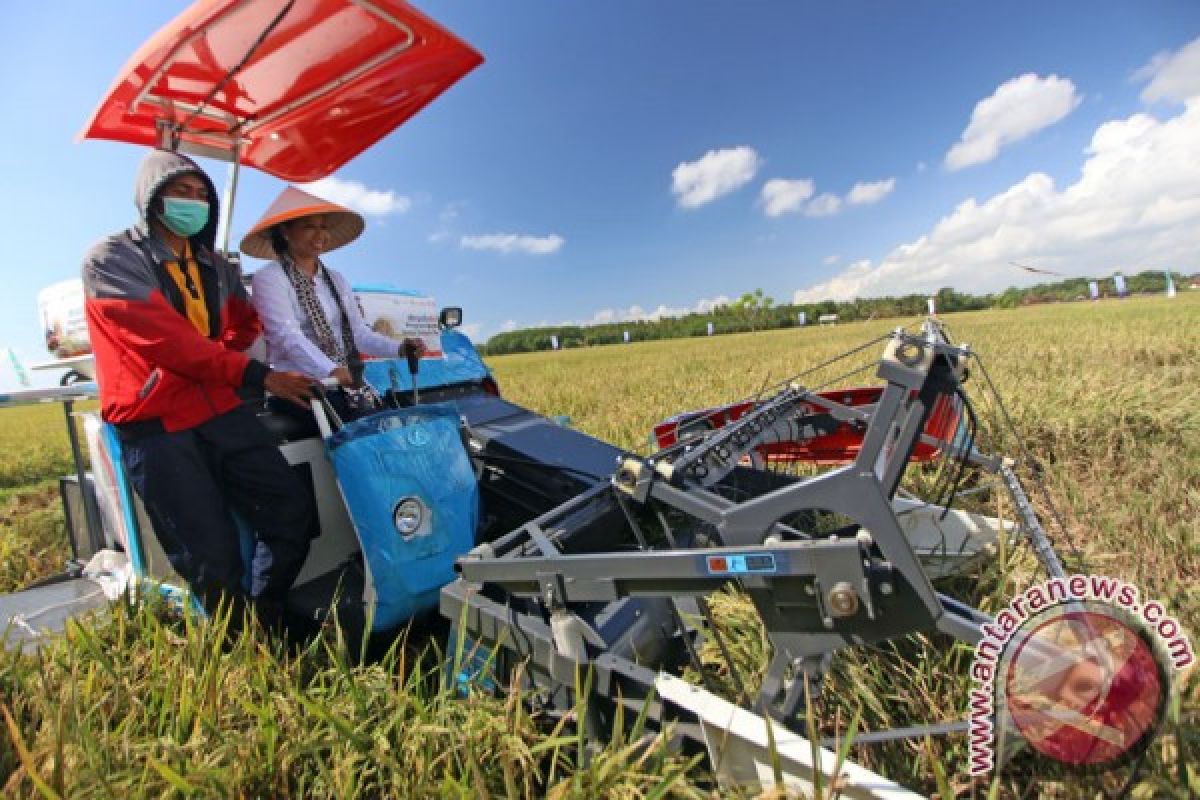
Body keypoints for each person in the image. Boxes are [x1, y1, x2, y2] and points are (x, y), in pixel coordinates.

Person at [81, 148, 317, 633]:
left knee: (291, 512)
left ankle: (264, 613)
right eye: (179, 192)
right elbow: (165, 341)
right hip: (155, 421)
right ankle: (237, 646)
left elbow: (244, 322)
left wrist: (218, 356)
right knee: (209, 552)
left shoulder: (217, 266)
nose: (193, 203)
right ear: (150, 199)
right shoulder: (110, 260)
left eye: (200, 195)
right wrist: (253, 374)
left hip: (218, 405)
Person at [241, 186, 425, 425]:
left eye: (323, 227)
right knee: (362, 429)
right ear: (285, 231)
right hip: (299, 386)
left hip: (343, 384)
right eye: (309, 226)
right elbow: (286, 335)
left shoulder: (336, 279)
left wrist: (400, 348)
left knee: (389, 423)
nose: (319, 235)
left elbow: (359, 333)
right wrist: (330, 369)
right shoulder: (269, 278)